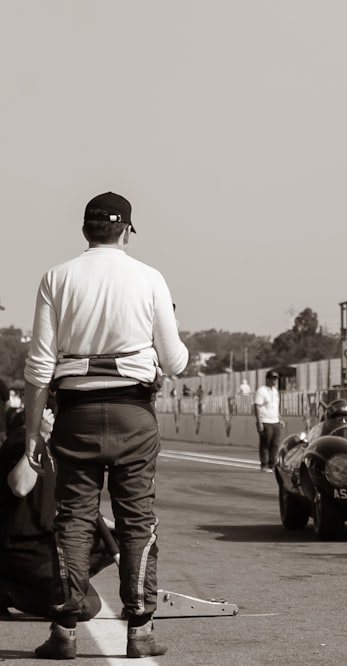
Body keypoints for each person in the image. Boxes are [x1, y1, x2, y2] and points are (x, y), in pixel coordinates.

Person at [21, 191, 188, 659]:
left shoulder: (57, 277)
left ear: (85, 230)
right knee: (138, 521)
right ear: (126, 231)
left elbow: (38, 367)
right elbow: (174, 362)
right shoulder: (149, 278)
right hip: (135, 414)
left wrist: (34, 433)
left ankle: (64, 632)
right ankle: (141, 630)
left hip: (75, 414)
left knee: (72, 520)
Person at [1, 407, 115, 622]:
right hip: (24, 551)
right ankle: (8, 590)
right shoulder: (20, 441)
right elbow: (20, 486)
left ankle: (132, 601)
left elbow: (70, 504)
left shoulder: (57, 449)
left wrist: (118, 527)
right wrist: (39, 435)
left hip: (48, 544)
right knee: (86, 606)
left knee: (123, 539)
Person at [254, 370, 284, 471]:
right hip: (265, 421)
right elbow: (257, 406)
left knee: (275, 444)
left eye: (276, 379)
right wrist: (259, 422)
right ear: (267, 379)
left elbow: (276, 407)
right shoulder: (261, 390)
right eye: (273, 378)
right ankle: (264, 464)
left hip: (275, 421)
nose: (275, 381)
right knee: (265, 443)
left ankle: (272, 464)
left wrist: (280, 419)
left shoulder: (275, 391)